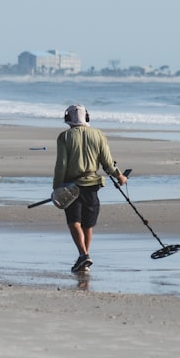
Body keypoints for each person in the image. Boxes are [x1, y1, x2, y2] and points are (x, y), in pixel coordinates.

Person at [53, 104, 127, 274]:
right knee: (88, 224)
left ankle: (83, 255)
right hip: (93, 185)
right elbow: (107, 162)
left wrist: (56, 187)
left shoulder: (64, 137)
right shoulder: (98, 134)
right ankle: (84, 257)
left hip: (71, 187)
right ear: (86, 117)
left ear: (68, 118)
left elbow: (61, 165)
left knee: (74, 222)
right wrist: (119, 176)